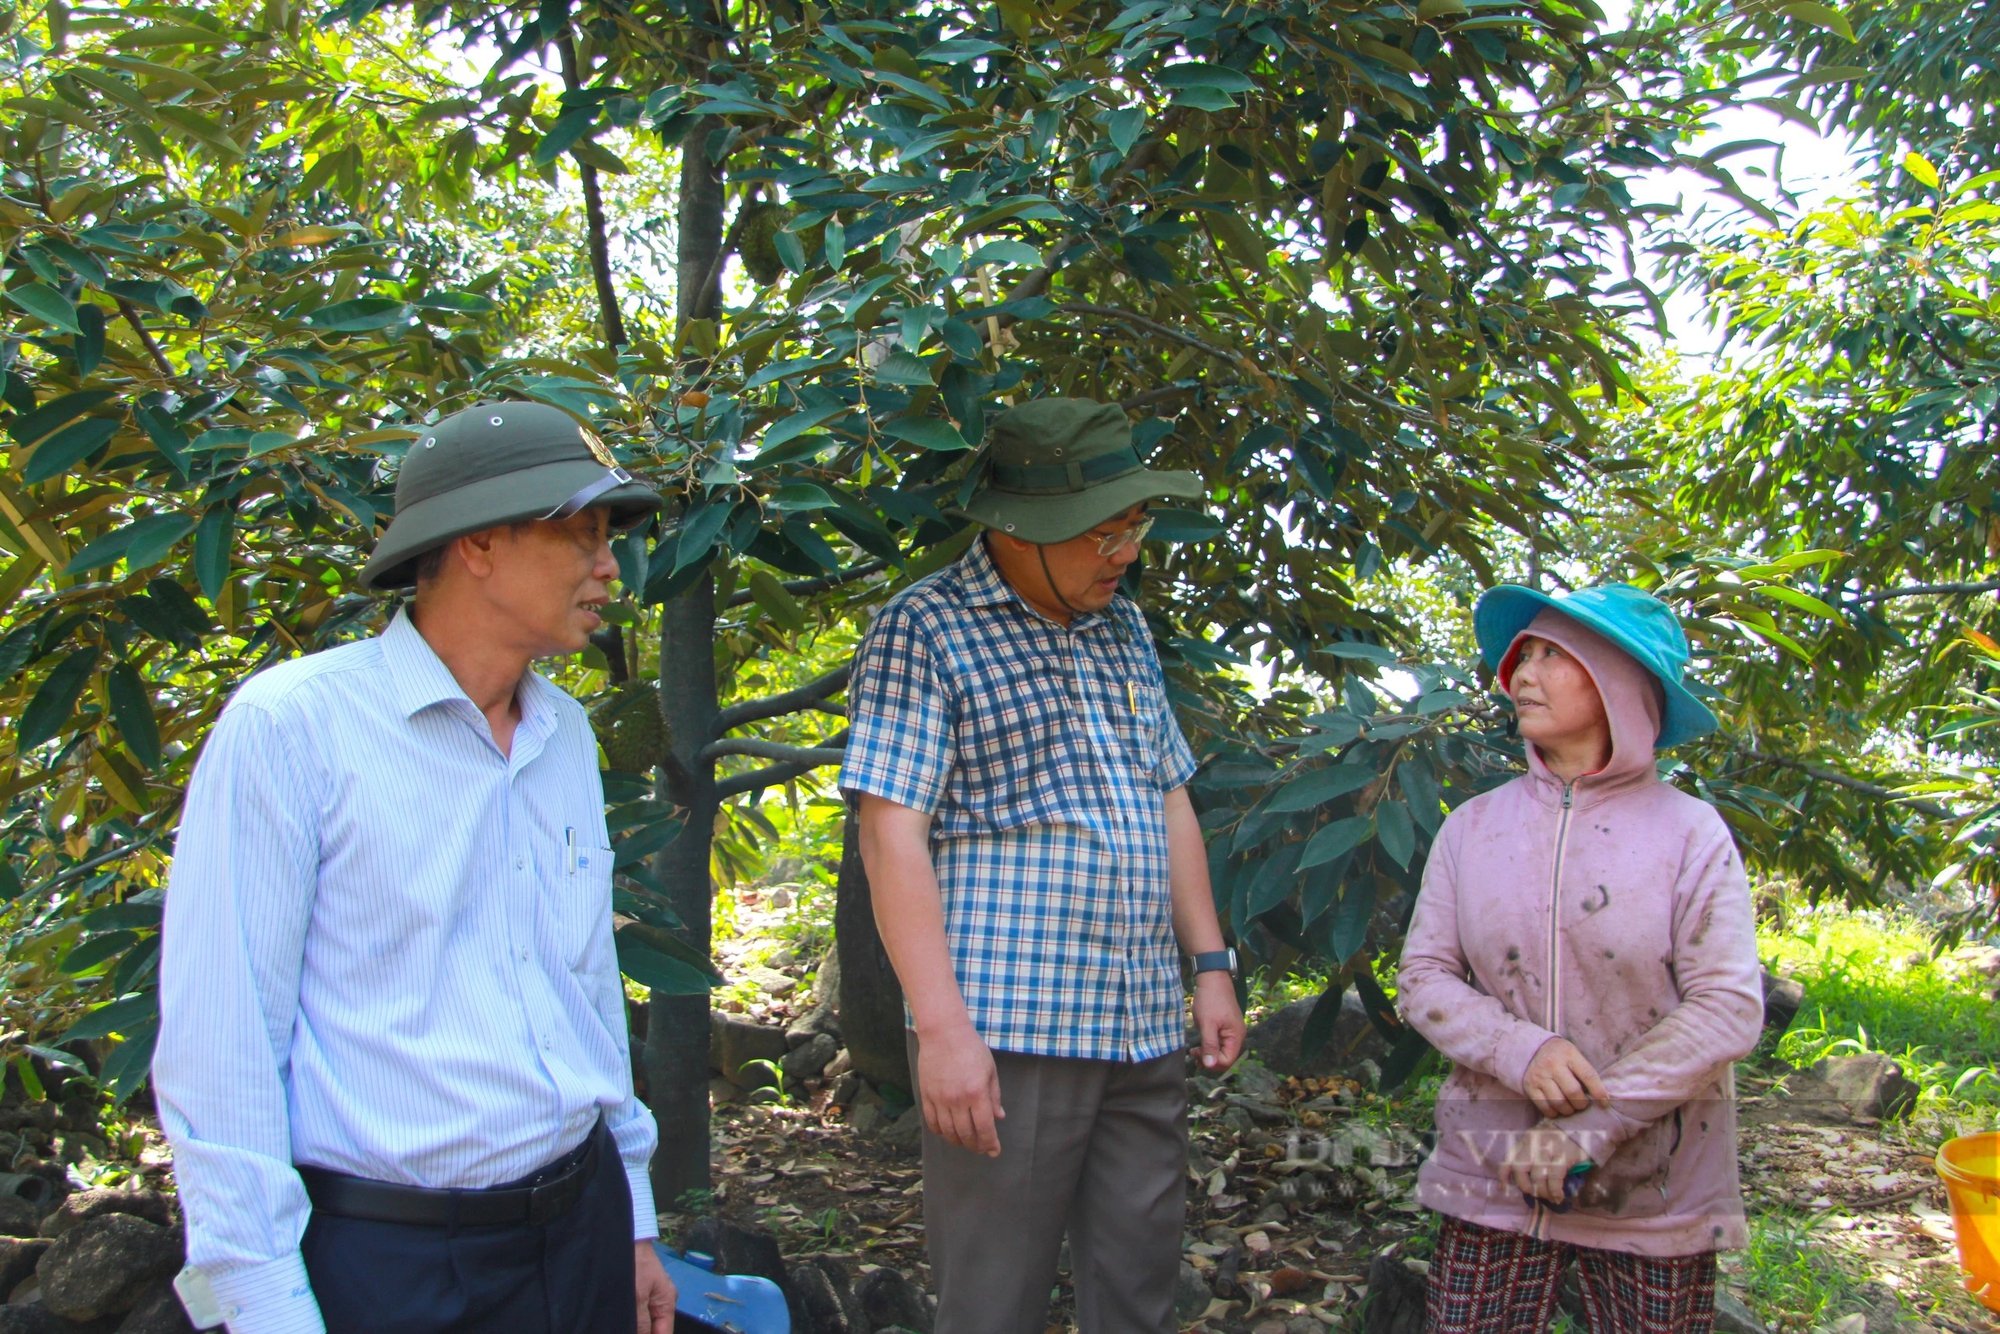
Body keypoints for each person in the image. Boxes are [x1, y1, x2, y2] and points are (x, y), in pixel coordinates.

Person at [154, 402, 678, 1334]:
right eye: (586, 534)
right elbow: (223, 1041)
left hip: (581, 1224)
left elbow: (584, 986)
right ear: (479, 545)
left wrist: (631, 1217)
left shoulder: (562, 736)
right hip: (394, 1259)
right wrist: (262, 1305)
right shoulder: (293, 727)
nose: (610, 566)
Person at [840, 398, 1247, 1334]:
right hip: (1009, 1027)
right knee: (993, 1302)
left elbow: (1168, 795)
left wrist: (1212, 966)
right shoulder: (926, 629)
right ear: (1018, 532)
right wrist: (942, 1032)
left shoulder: (1123, 630)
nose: (1126, 552)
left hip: (1141, 1017)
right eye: (1102, 532)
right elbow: (888, 832)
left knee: (1138, 1289)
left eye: (1133, 526)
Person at [1396, 582, 1765, 1334]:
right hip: (1492, 1166)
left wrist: (1590, 1123)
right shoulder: (1472, 828)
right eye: (1520, 655)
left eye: (1549, 655)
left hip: (1652, 1181)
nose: (1519, 674)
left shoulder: (1690, 834)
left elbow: (1727, 1007)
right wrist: (1518, 1050)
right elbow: (1424, 977)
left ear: (1619, 682)